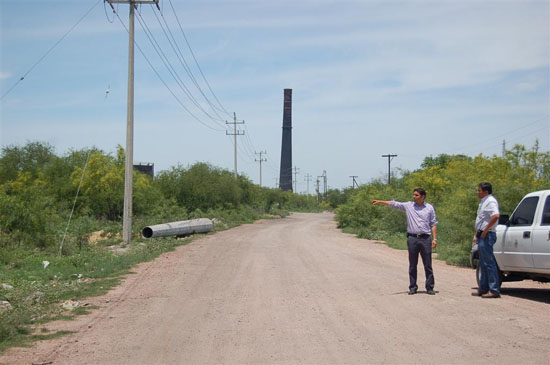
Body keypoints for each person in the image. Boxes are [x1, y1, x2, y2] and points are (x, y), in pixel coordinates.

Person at [372, 188, 438, 295]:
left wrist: (435, 239)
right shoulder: (409, 206)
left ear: (423, 196)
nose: (414, 197)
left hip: (426, 239)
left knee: (428, 264)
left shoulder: (429, 208)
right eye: (413, 195)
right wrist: (380, 202)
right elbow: (394, 204)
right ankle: (413, 287)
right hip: (412, 239)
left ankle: (429, 287)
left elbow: (433, 224)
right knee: (413, 264)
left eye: (416, 195)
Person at [472, 182, 501, 298]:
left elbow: (496, 216)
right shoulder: (483, 202)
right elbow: (482, 219)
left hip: (487, 235)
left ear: (486, 191)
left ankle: (494, 290)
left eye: (479, 190)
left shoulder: (490, 201)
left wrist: (486, 230)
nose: (478, 192)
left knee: (489, 262)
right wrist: (477, 234)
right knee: (482, 263)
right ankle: (483, 288)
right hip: (481, 235)